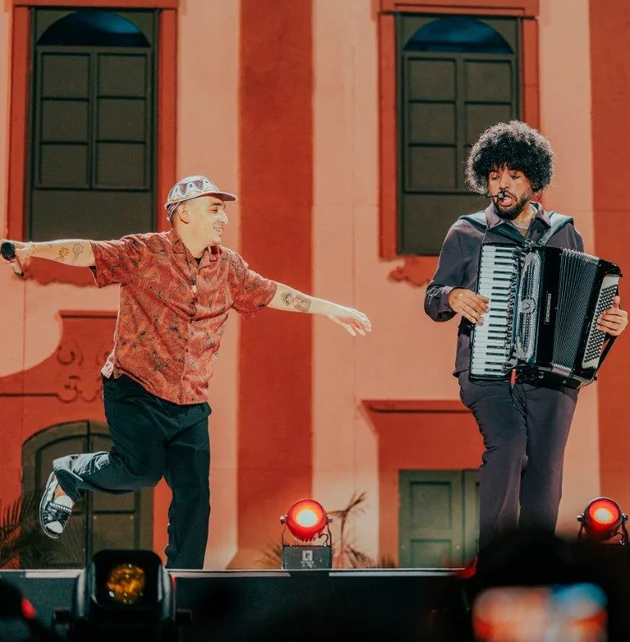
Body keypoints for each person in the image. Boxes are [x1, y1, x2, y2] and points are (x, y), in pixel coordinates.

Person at [1, 175, 372, 569]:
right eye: (214, 209)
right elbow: (86, 252)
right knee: (141, 472)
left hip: (190, 401)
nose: (223, 219)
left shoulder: (227, 267)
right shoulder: (145, 252)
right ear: (184, 214)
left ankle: (184, 578)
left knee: (195, 496)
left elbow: (273, 292)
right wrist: (31, 250)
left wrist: (332, 309)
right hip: (135, 388)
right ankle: (68, 475)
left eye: (223, 211)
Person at [424, 121, 629, 551]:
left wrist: (610, 324)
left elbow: (586, 305)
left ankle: (535, 561)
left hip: (550, 373)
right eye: (494, 176)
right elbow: (433, 298)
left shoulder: (562, 232)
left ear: (534, 181)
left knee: (546, 468)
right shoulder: (466, 233)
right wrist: (453, 295)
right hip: (486, 370)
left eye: (513, 176)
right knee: (510, 445)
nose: (501, 185)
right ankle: (496, 558)